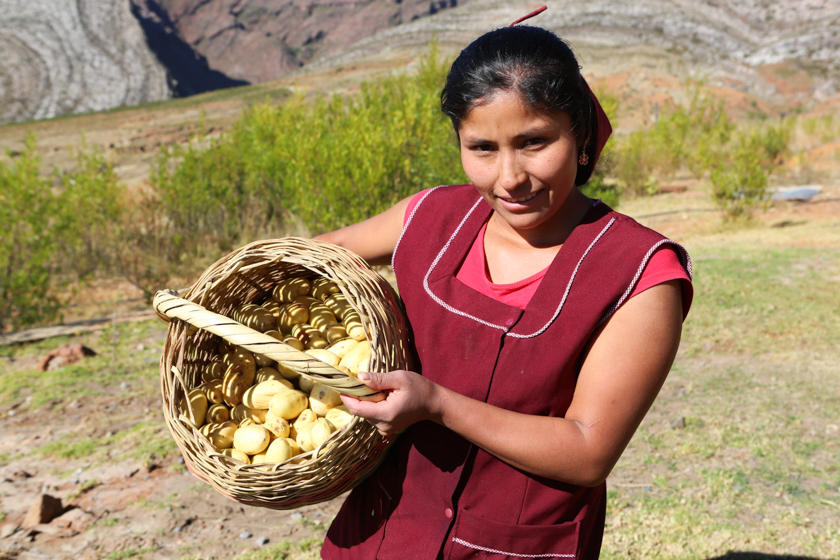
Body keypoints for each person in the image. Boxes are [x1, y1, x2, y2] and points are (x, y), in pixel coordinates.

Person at [315, 22, 693, 560]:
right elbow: (299, 267)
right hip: (381, 536)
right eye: (483, 148)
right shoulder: (430, 217)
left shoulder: (639, 273)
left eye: (534, 141)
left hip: (516, 546)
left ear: (580, 133)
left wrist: (436, 404)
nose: (510, 177)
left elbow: (588, 450)